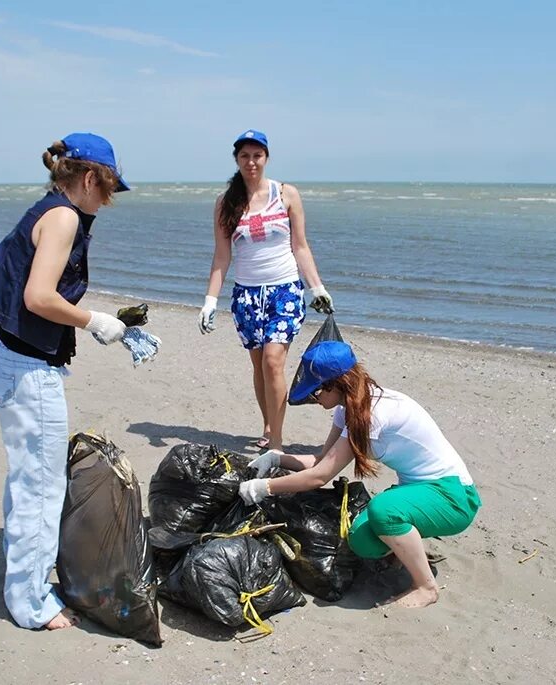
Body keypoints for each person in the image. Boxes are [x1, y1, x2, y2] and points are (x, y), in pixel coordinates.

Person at [0, 132, 132, 631]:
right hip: (28, 370)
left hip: (9, 356)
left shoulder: (46, 209)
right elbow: (38, 297)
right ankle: (29, 601)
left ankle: (19, 574)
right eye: (108, 191)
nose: (106, 203)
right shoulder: (65, 216)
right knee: (43, 486)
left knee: (26, 475)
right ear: (91, 178)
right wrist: (95, 321)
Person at [237, 340, 481, 609]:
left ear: (336, 384)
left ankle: (426, 586)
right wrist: (276, 457)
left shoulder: (374, 414)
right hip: (420, 491)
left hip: (454, 496)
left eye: (316, 392)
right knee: (361, 541)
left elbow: (320, 478)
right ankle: (406, 548)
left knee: (383, 511)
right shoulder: (347, 409)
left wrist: (264, 487)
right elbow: (320, 461)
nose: (314, 399)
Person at [199, 129, 333, 451]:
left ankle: (276, 441)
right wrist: (209, 300)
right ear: (237, 160)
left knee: (274, 361)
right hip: (247, 295)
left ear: (266, 158)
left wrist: (317, 288)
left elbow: (300, 246)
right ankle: (268, 424)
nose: (251, 162)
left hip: (284, 290)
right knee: (259, 366)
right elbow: (221, 256)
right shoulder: (225, 204)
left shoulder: (286, 194)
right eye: (244, 156)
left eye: (257, 155)